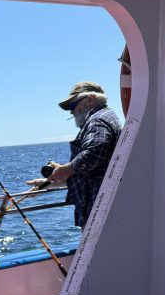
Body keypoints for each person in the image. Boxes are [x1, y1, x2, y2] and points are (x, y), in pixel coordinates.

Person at [27, 81, 121, 228]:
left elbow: (94, 154)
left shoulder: (97, 120)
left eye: (72, 105)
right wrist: (50, 183)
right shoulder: (105, 117)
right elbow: (93, 171)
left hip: (100, 209)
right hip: (104, 207)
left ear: (89, 99)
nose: (71, 112)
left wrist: (66, 169)